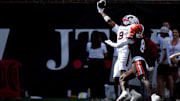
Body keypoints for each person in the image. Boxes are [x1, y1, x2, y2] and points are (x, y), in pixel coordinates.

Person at [104, 19, 161, 101]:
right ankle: (126, 93)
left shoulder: (132, 39)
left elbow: (117, 45)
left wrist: (109, 42)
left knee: (143, 78)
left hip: (138, 61)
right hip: (137, 62)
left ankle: (153, 95)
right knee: (122, 78)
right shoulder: (144, 39)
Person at [97, 0, 141, 100]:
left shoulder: (133, 29)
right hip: (120, 53)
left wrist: (101, 10)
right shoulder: (121, 28)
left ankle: (125, 92)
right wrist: (101, 11)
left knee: (122, 73)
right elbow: (110, 22)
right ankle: (132, 92)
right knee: (116, 78)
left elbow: (135, 39)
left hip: (126, 52)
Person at [86, 31, 108, 99]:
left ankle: (93, 97)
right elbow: (106, 55)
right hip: (100, 63)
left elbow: (87, 51)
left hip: (91, 63)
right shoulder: (102, 44)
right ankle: (102, 96)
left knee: (93, 81)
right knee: (100, 81)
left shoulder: (88, 44)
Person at [156, 26, 173, 100]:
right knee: (169, 78)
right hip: (169, 62)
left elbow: (166, 52)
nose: (160, 35)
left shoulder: (164, 40)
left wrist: (161, 61)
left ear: (163, 33)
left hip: (164, 63)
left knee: (160, 78)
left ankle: (161, 95)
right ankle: (170, 95)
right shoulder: (170, 39)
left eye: (161, 33)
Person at [166, 28, 180, 100]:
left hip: (178, 62)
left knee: (177, 80)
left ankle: (177, 95)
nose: (174, 34)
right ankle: (172, 96)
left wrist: (178, 62)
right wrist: (169, 63)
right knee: (171, 81)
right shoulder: (169, 42)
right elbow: (168, 52)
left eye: (176, 32)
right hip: (171, 62)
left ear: (178, 34)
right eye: (173, 32)